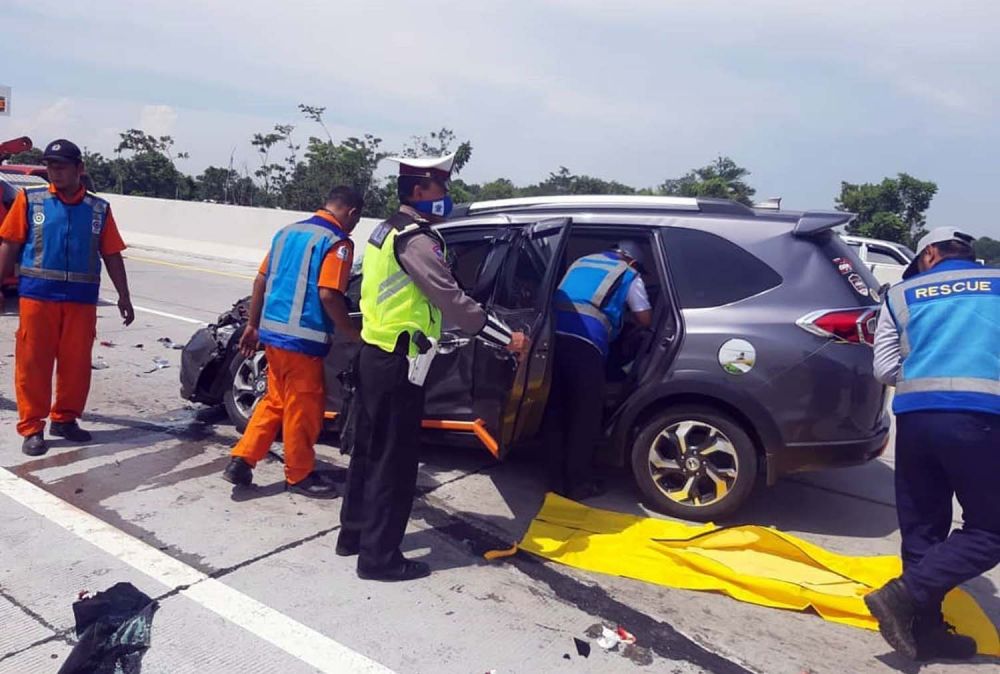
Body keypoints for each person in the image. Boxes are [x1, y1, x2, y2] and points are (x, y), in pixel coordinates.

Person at [338, 153, 528, 582]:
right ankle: (380, 559)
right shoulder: (417, 239)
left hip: (375, 352)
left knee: (368, 452)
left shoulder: (384, 229)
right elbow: (452, 299)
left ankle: (353, 535)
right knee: (395, 461)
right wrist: (507, 338)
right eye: (441, 187)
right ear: (420, 190)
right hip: (399, 362)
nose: (446, 196)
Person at [865, 227, 999, 662]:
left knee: (923, 527)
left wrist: (928, 373)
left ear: (930, 255)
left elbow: (885, 369)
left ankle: (926, 634)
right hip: (981, 418)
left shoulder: (901, 294)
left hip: (917, 418)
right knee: (991, 529)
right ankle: (906, 596)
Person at [221, 186, 364, 498]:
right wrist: (352, 333)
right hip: (304, 341)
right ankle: (299, 475)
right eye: (356, 219)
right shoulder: (337, 242)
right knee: (304, 409)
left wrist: (252, 325)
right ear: (352, 213)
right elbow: (329, 294)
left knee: (275, 400)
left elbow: (260, 279)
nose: (354, 226)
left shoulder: (287, 233)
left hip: (273, 336)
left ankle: (242, 459)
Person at [0, 139, 134, 456]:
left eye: (61, 166)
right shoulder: (29, 200)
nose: (54, 172)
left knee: (76, 366)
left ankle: (65, 419)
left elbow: (112, 254)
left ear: (79, 169)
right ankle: (32, 427)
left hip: (81, 301)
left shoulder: (98, 209)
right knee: (33, 365)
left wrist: (124, 296)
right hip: (37, 299)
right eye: (50, 166)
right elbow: (9, 243)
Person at [546, 240, 653, 500]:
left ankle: (554, 480)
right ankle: (579, 484)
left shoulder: (581, 261)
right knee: (586, 415)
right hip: (585, 342)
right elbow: (644, 318)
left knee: (556, 410)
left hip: (550, 338)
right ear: (632, 260)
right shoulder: (629, 274)